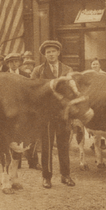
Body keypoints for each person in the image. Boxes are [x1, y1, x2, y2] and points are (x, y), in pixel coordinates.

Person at [31, 40, 75, 188]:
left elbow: (72, 91)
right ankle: (47, 177)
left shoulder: (68, 70)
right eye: (48, 52)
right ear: (45, 54)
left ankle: (65, 175)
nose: (51, 54)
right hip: (46, 113)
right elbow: (32, 91)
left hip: (63, 114)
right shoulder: (38, 71)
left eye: (53, 51)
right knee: (47, 146)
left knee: (63, 145)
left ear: (58, 53)